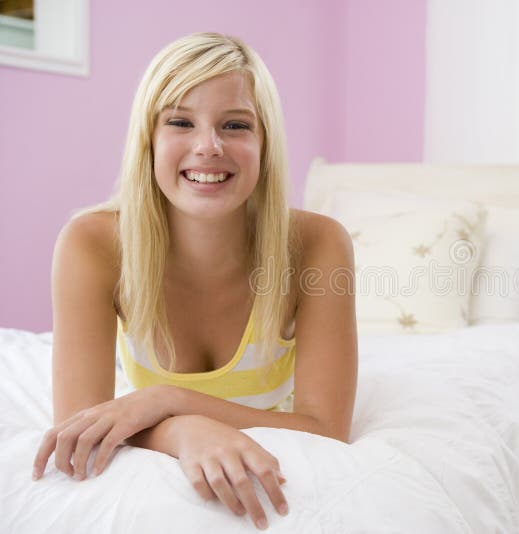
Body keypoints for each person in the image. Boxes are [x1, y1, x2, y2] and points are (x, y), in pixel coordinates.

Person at [30, 32, 358, 531]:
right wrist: (184, 432)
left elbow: (327, 430)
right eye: (180, 122)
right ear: (149, 140)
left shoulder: (318, 244)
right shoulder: (91, 244)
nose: (209, 146)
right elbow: (82, 427)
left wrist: (169, 401)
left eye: (236, 125)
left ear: (265, 143)